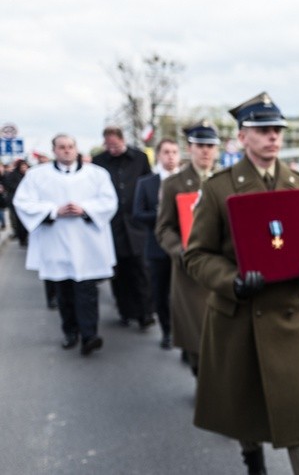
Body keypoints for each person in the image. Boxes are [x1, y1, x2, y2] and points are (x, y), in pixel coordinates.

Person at [184, 93, 299, 475]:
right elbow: (196, 255)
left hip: (287, 316)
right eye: (263, 130)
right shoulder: (219, 188)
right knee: (244, 408)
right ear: (242, 136)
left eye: (277, 130)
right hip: (240, 315)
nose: (273, 138)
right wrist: (232, 281)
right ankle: (253, 463)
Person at [13, 134, 117, 355]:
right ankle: (70, 332)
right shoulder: (36, 176)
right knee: (64, 292)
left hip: (87, 244)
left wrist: (85, 209)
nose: (67, 151)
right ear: (54, 150)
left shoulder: (97, 175)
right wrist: (53, 211)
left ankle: (90, 335)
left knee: (87, 291)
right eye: (62, 147)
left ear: (76, 149)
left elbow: (109, 201)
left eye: (71, 147)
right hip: (56, 243)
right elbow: (22, 202)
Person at [155, 122, 220, 372]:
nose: (205, 151)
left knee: (222, 336)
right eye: (200, 146)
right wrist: (181, 252)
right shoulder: (174, 183)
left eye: (210, 146)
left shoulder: (227, 179)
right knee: (196, 335)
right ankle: (200, 376)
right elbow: (164, 228)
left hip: (222, 267)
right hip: (189, 271)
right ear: (189, 148)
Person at [93, 126, 156, 329]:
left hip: (136, 223)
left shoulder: (139, 158)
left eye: (115, 144)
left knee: (141, 269)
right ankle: (125, 310)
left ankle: (146, 312)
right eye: (108, 145)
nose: (111, 148)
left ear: (122, 140)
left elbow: (148, 184)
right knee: (119, 272)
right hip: (113, 226)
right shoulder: (99, 162)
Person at [133, 138, 180, 349]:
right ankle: (167, 331)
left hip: (184, 247)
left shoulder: (186, 181)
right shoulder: (147, 183)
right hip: (157, 247)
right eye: (166, 152)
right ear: (159, 155)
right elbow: (137, 214)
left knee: (183, 295)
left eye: (174, 152)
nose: (170, 156)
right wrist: (161, 214)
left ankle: (185, 334)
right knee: (161, 293)